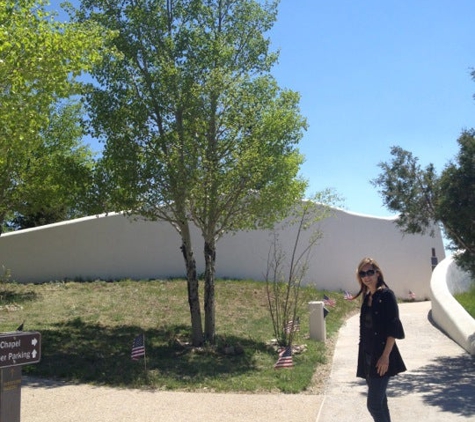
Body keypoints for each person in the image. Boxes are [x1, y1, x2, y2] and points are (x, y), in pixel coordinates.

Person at [353, 257, 406, 422]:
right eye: (363, 273)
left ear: (377, 273)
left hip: (381, 357)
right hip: (367, 356)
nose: (366, 276)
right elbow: (365, 329)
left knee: (374, 404)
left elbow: (393, 328)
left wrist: (385, 357)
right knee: (381, 402)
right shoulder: (368, 296)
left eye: (370, 272)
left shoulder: (386, 295)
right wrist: (362, 357)